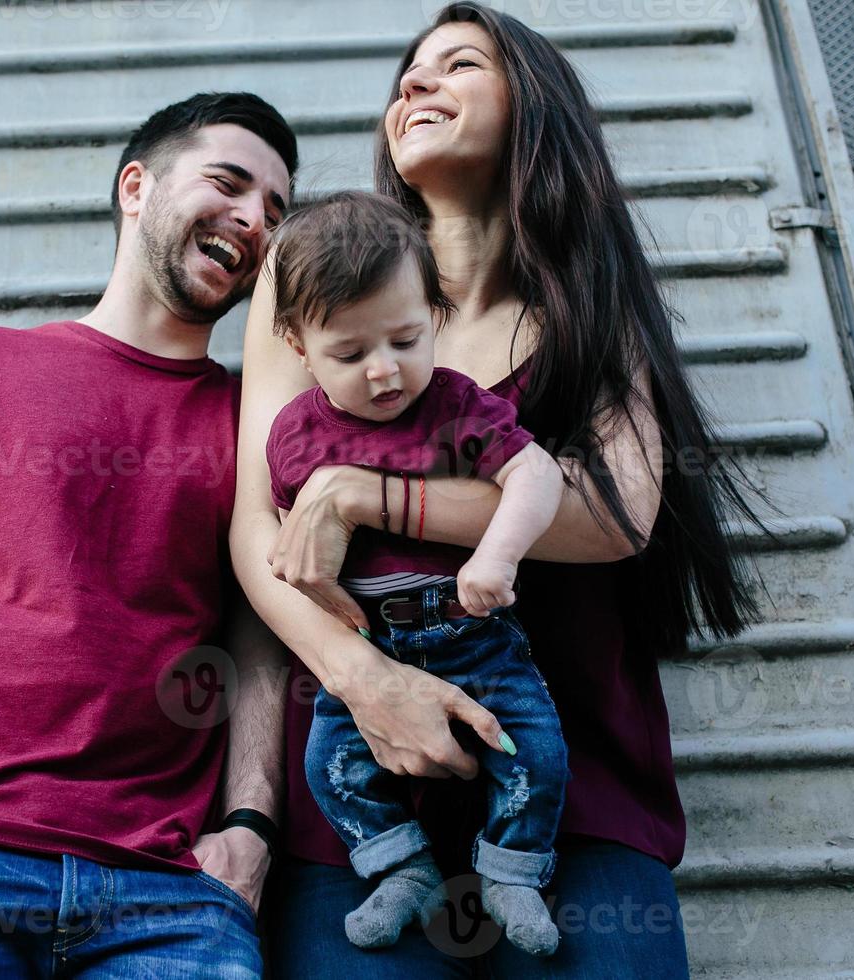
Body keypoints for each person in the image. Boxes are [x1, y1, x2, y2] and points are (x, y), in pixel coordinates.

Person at [231, 4, 761, 977]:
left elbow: (614, 513)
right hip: (360, 789)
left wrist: (362, 494)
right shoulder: (312, 269)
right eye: (407, 74)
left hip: (573, 784)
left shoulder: (582, 292)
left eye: (457, 64)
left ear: (534, 107)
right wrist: (367, 683)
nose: (414, 86)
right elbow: (256, 527)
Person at [0, 92, 296, 978]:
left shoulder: (256, 426)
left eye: (275, 209)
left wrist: (250, 829)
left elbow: (261, 635)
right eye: (229, 184)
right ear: (134, 187)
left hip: (169, 897)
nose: (253, 219)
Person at [263, 191, 566, 955]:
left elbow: (537, 475)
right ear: (299, 347)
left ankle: (512, 870)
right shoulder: (294, 436)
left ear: (434, 314)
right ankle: (402, 868)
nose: (384, 370)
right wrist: (308, 587)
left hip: (470, 632)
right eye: (350, 353)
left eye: (404, 339)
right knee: (328, 767)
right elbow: (285, 539)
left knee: (532, 747)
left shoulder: (456, 407)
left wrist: (496, 555)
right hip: (373, 645)